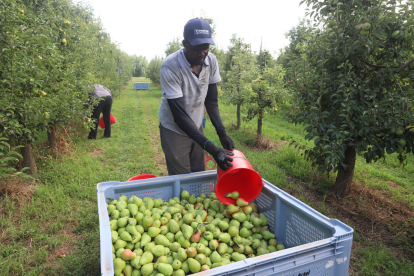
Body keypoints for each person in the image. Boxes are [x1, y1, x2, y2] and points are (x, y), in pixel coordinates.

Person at [158, 18, 235, 175]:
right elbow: (179, 117)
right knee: (182, 177)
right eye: (196, 48)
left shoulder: (211, 61)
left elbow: (211, 101)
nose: (202, 53)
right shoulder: (170, 66)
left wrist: (222, 133)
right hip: (174, 128)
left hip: (195, 123)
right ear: (185, 44)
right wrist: (213, 149)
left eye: (205, 47)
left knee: (198, 172)